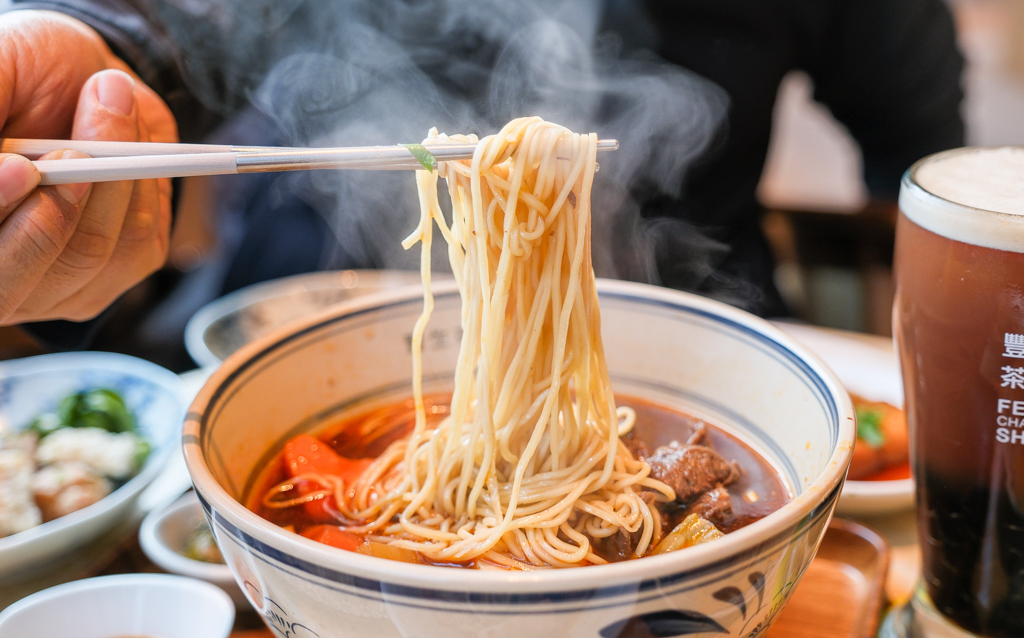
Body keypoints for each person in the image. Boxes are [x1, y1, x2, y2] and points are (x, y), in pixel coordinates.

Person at [0, 1, 964, 358]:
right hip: (287, 333)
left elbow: (927, 173)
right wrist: (91, 54)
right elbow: (179, 27)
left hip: (697, 337)